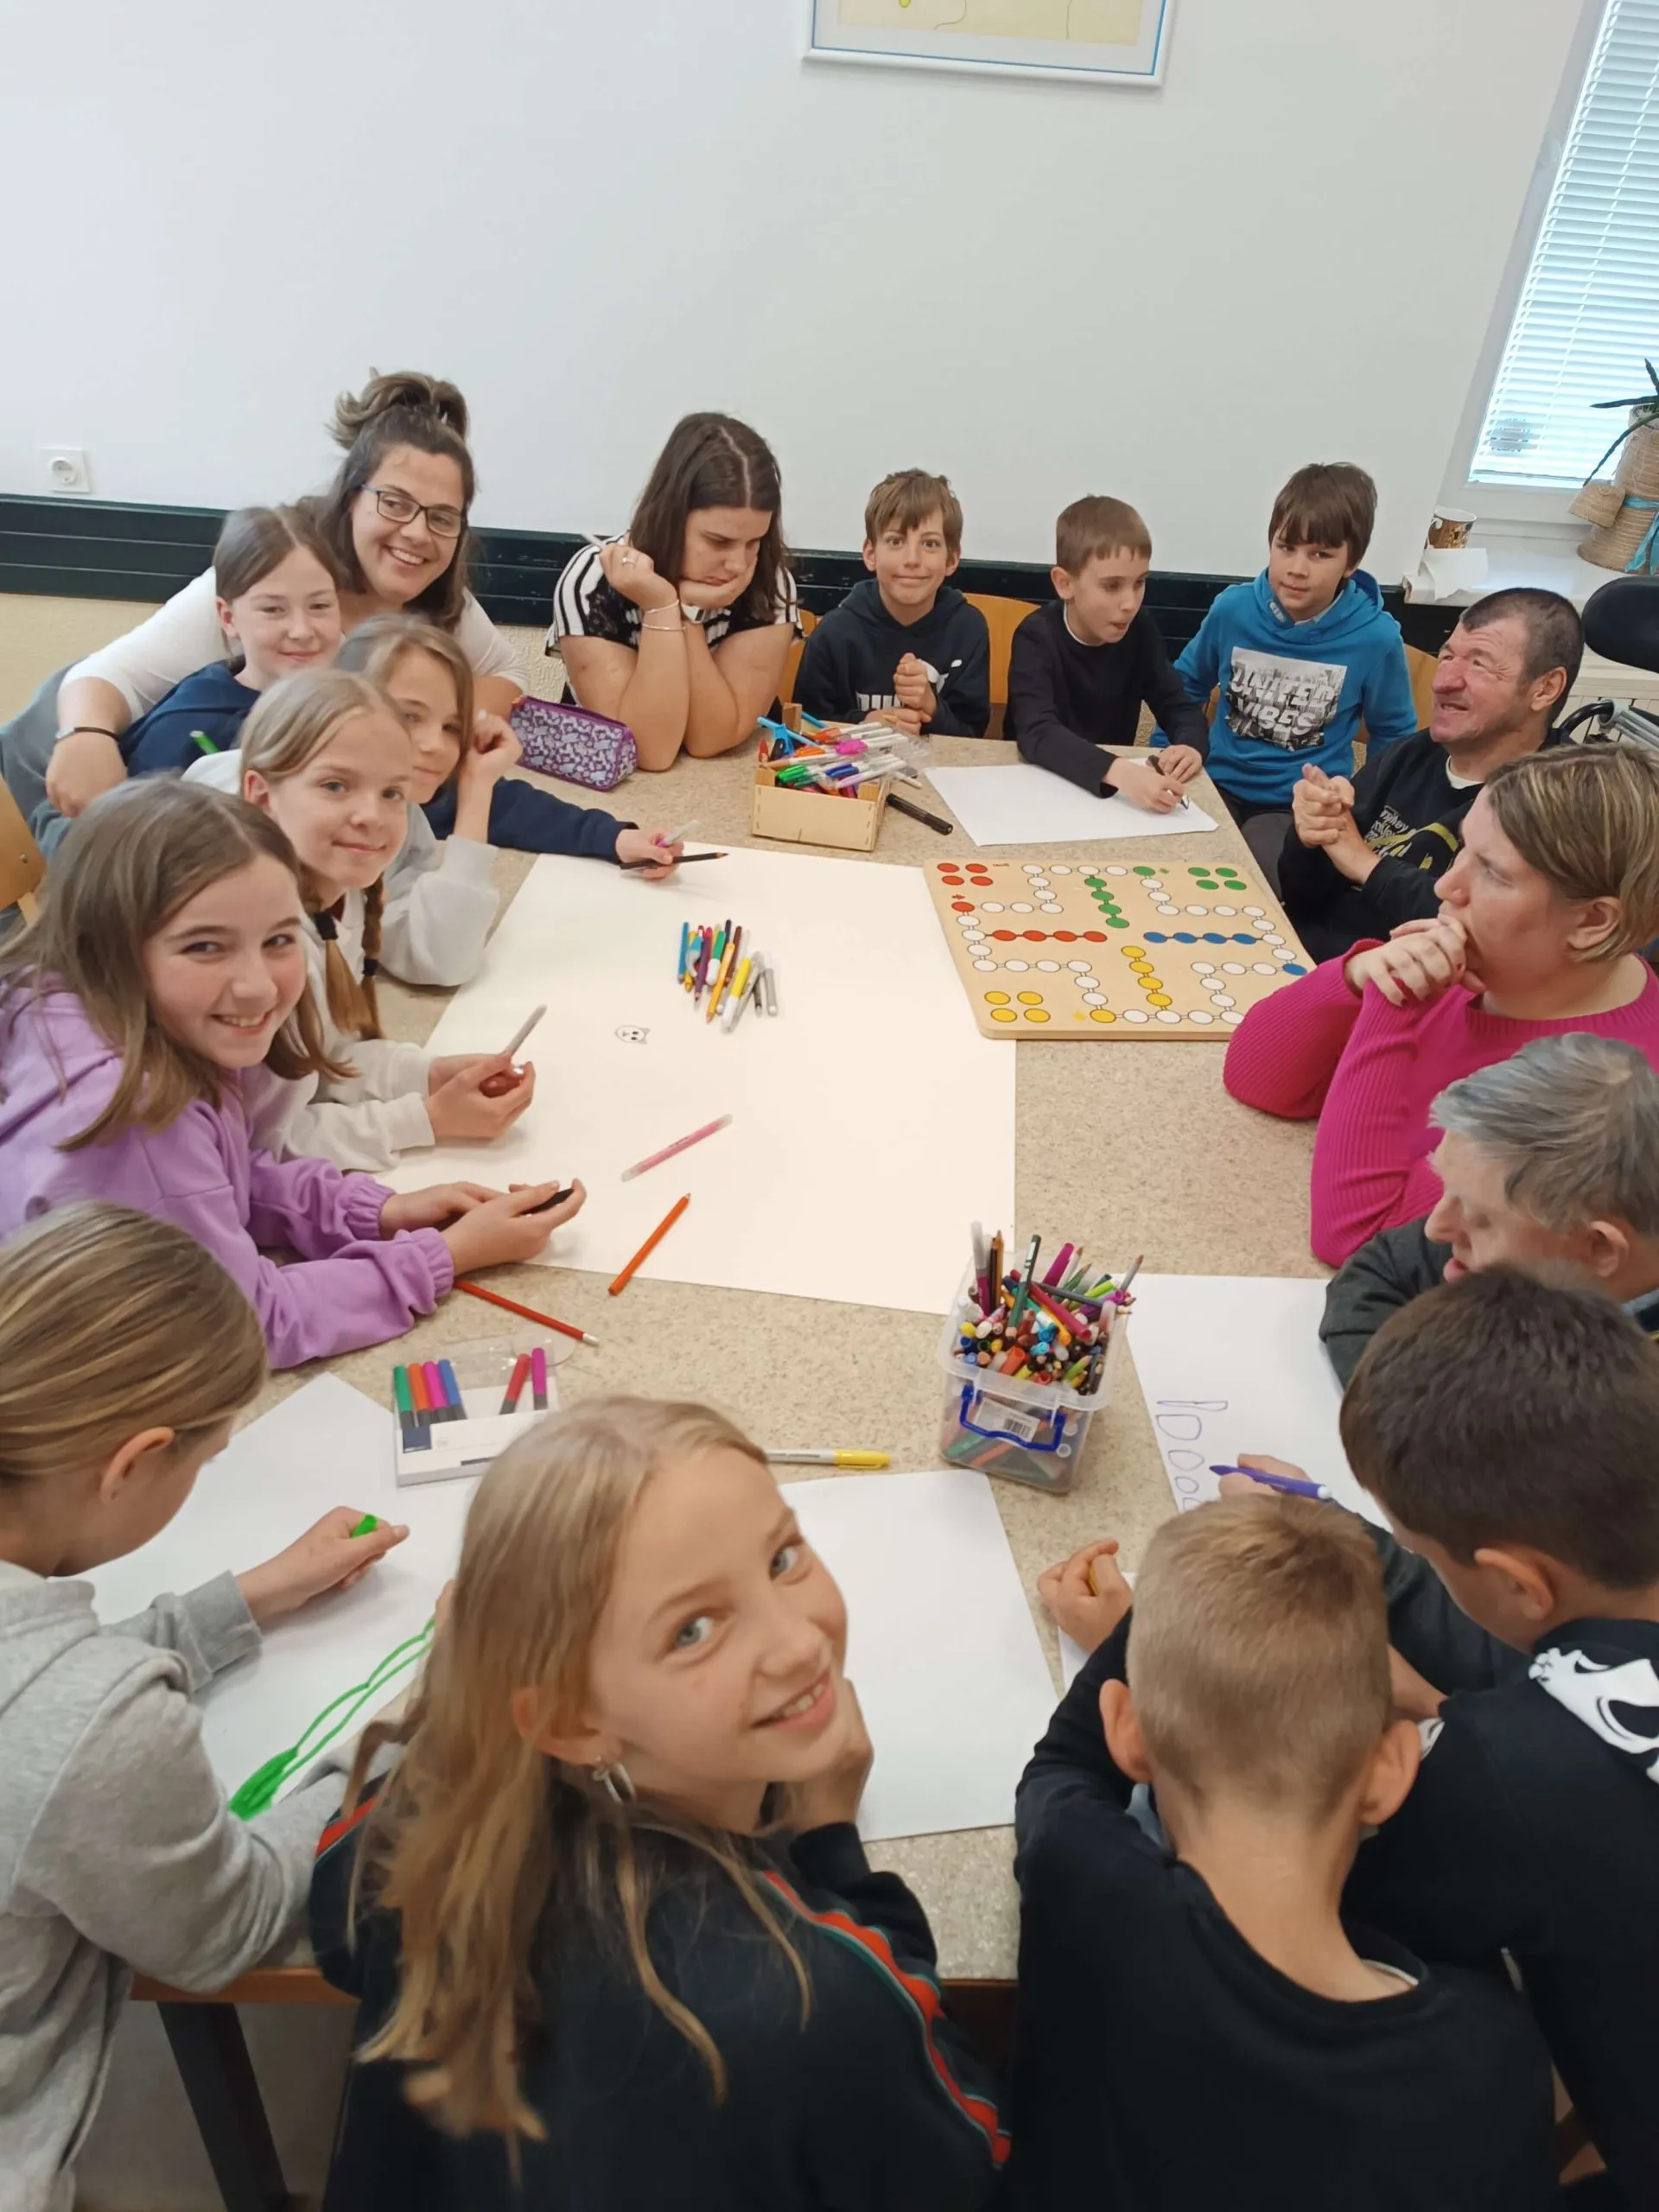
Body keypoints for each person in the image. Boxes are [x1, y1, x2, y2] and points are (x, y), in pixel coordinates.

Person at [311, 1398, 1007, 2211]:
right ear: (571, 1722)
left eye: (783, 1557)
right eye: (693, 1631)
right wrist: (828, 1841)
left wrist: (466, 1687)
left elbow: (335, 1920)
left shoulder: (423, 1810)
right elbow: (973, 2163)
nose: (798, 1643)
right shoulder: (816, 1999)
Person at [0, 1202, 410, 2212]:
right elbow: (231, 1926)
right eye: (202, 1459)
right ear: (134, 1462)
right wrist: (405, 1734)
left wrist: (246, 1599)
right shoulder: (92, 1720)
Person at [1009, 1495, 1554, 2212]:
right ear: (1392, 1766)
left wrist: (1151, 1631)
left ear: (1128, 1731)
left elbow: (1061, 1770)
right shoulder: (1490, 2060)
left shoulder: (1083, 1886)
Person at [0, 779, 582, 1369]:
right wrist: (447, 1255)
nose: (258, 986)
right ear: (107, 947)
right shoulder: (139, 1112)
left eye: (280, 939)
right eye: (204, 947)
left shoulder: (90, 1004)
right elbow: (243, 1326)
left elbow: (212, 1177)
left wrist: (376, 1214)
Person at [1335, 1268, 1659, 2207]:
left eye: (1427, 1558)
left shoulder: (1506, 1771)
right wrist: (1451, 1711)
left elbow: (1359, 1906)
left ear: (1520, 1583)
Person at [28, 372, 524, 832]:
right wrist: (84, 733)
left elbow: (506, 670)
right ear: (350, 497)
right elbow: (112, 675)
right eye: (394, 503)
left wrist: (438, 730)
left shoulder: (436, 594)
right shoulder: (270, 577)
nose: (417, 533)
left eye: (442, 517)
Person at [1224, 744, 1659, 1266]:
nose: (1447, 886)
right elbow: (1258, 1078)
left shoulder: (1600, 1100)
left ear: (1591, 922)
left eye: (1493, 873)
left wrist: (1392, 1006)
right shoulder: (1496, 963)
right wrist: (1360, 973)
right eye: (1464, 849)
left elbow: (1360, 1240)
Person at [231, 670, 534, 1173]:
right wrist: (426, 1120)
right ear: (262, 796)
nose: (371, 815)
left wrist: (427, 1075)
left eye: (392, 792)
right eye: (335, 786)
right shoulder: (258, 949)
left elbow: (327, 1059)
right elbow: (263, 1145)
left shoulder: (342, 897)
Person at [1322, 1034, 1659, 1384]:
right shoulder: (1499, 1247)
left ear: (1599, 1248)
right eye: (1447, 1191)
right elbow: (1378, 1270)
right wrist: (1399, 1396)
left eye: (1478, 1217)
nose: (1435, 1228)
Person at [1280, 588, 1581, 961]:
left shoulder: (1562, 802)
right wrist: (1312, 835)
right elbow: (1303, 899)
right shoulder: (1412, 753)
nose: (1443, 682)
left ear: (1545, 688)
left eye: (1479, 664)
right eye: (1447, 656)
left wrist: (1365, 864)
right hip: (1307, 958)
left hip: (1393, 986)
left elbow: (1487, 940)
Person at [1156, 463, 1418, 884]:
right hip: (1213, 782)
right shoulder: (1232, 610)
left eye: (1320, 554)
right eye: (1286, 547)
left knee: (1253, 885)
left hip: (1295, 806)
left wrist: (1363, 812)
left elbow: (1394, 734)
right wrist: (1163, 754)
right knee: (1168, 868)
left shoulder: (1377, 638)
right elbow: (1184, 686)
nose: (1297, 568)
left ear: (1351, 563)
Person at [550, 414, 798, 771]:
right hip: (618, 796)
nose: (737, 564)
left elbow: (711, 739)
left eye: (753, 542)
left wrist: (685, 613)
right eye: (718, 541)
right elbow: (648, 751)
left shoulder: (769, 582)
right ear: (670, 517)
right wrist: (661, 606)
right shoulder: (591, 581)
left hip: (725, 788)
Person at [1004, 495, 1210, 813]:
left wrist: (1190, 744)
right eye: (1112, 586)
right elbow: (1037, 733)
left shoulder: (1140, 630)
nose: (1130, 603)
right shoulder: (1036, 637)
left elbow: (1176, 704)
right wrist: (1122, 773)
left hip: (1110, 801)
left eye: (1139, 583)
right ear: (1064, 584)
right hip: (1035, 788)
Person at [794, 470, 990, 738]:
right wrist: (864, 725)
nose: (912, 559)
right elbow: (805, 728)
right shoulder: (833, 633)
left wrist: (932, 707)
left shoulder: (968, 629)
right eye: (896, 541)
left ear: (952, 559)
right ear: (870, 554)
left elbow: (973, 738)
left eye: (930, 544)